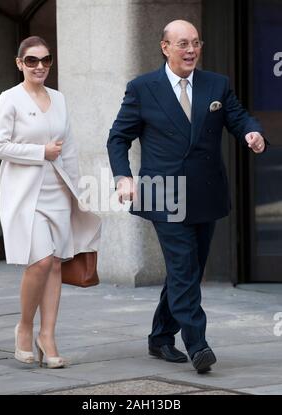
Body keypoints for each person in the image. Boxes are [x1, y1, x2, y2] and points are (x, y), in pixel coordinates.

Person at [107, 20, 266, 374]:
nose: (191, 50)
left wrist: (253, 134)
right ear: (165, 47)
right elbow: (118, 137)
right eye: (182, 44)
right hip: (163, 194)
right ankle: (198, 344)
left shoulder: (216, 84)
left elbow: (239, 119)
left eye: (196, 42)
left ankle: (161, 335)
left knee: (188, 271)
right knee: (182, 267)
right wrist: (123, 177)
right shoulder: (142, 88)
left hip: (205, 193)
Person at [0, 36, 100, 368]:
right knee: (38, 262)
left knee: (55, 263)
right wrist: (40, 152)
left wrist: (78, 192)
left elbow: (69, 150)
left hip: (58, 191)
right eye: (32, 61)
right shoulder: (9, 99)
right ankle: (24, 327)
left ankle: (47, 335)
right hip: (25, 194)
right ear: (19, 63)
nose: (40, 66)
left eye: (46, 60)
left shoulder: (59, 99)